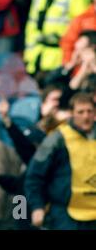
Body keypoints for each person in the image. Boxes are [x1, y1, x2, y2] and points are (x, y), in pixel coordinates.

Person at [25, 92, 96, 230]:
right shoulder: (56, 139)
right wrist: (37, 206)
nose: (86, 116)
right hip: (66, 215)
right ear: (72, 113)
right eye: (80, 112)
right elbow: (34, 175)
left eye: (89, 111)